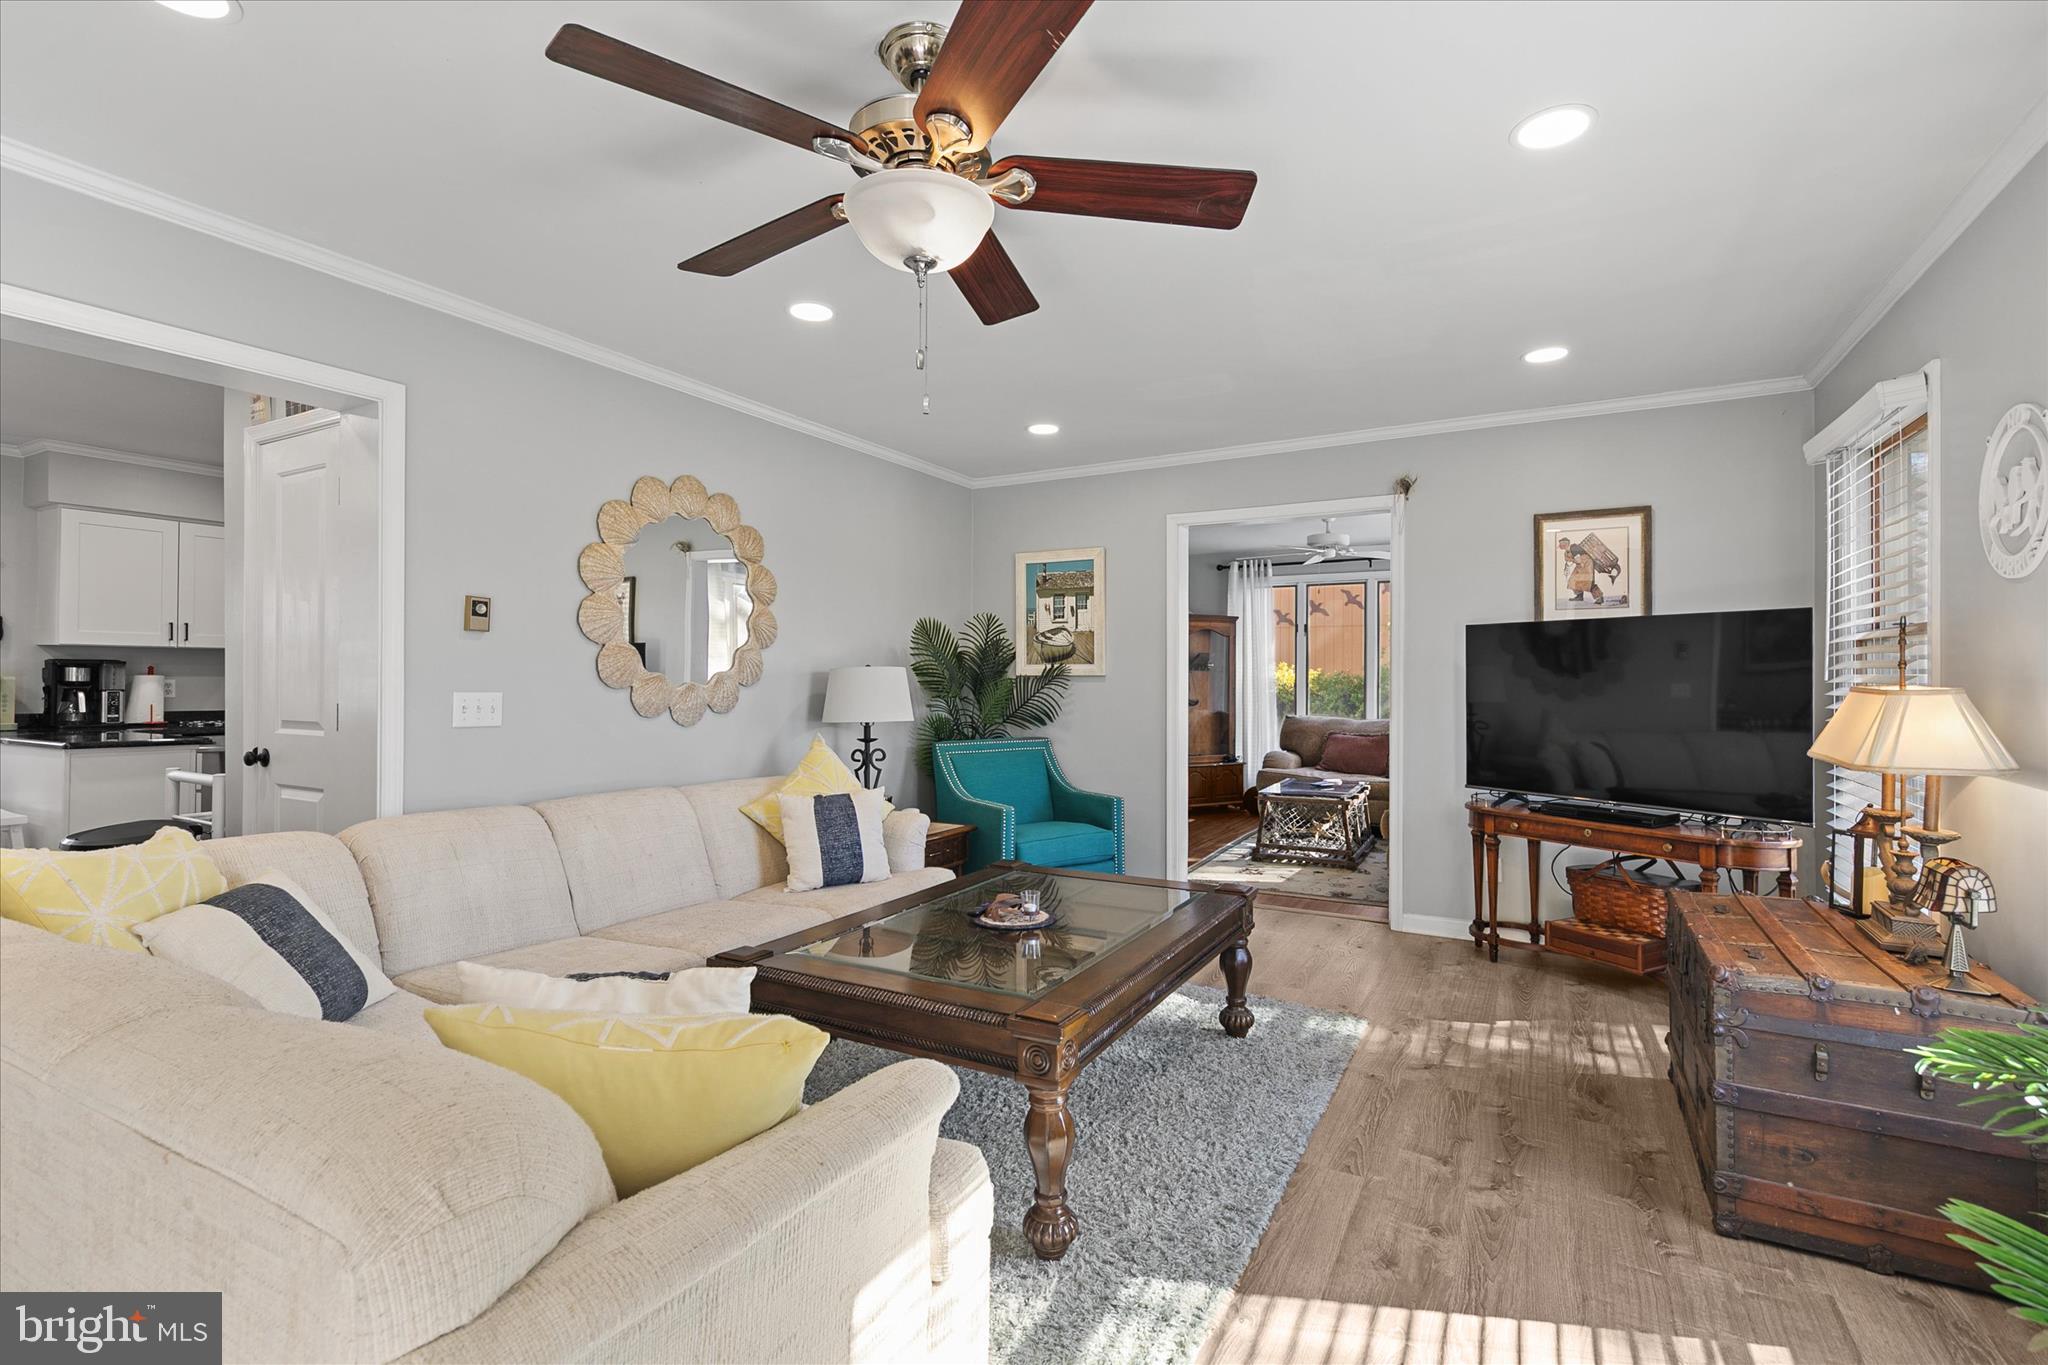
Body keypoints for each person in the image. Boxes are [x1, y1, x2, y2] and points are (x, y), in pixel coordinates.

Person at [1559, 535, 1604, 605]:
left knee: (1587, 582)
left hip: (1586, 564)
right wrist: (1570, 560)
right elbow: (1572, 561)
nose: (1559, 545)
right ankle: (1579, 596)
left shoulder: (1573, 547)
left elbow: (1578, 560)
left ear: (1565, 544)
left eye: (1561, 544)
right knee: (1573, 580)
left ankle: (1599, 597)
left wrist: (1571, 560)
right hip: (1580, 565)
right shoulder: (1567, 552)